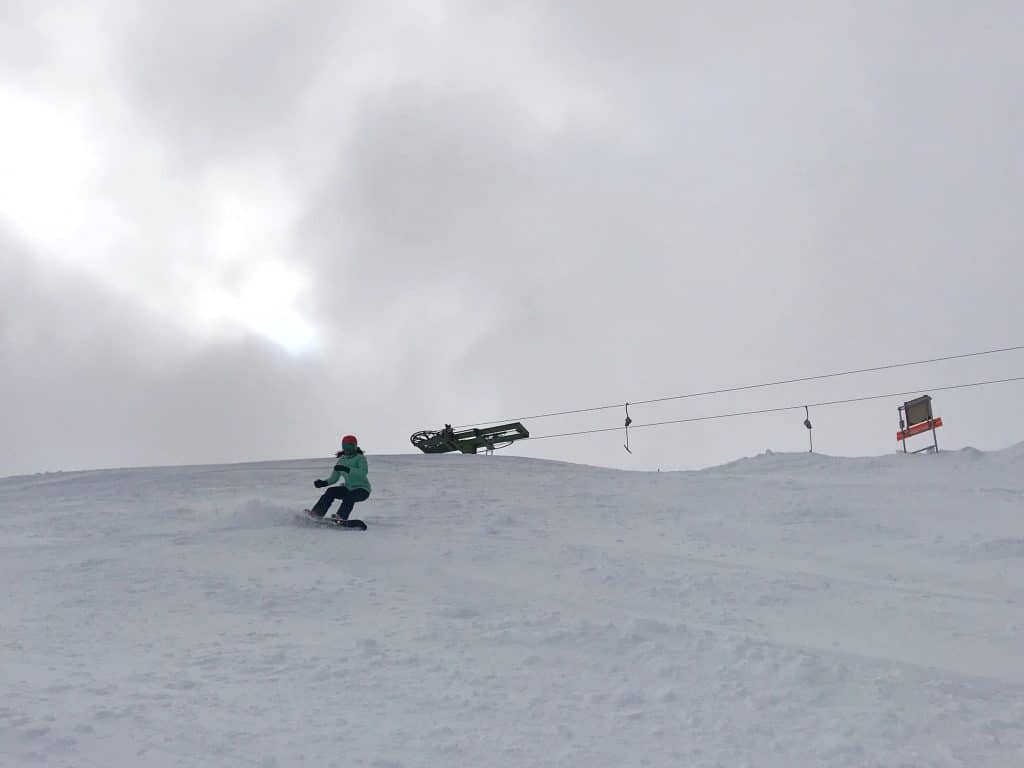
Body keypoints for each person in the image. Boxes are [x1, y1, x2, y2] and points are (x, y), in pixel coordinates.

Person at [309, 435, 371, 525]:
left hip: (362, 490)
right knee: (331, 491)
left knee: (350, 496)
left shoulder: (360, 458)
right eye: (345, 447)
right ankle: (317, 514)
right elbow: (334, 479)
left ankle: (340, 517)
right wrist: (323, 483)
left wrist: (347, 469)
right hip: (348, 488)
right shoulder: (341, 461)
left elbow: (363, 472)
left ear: (355, 446)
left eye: (350, 446)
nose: (348, 449)